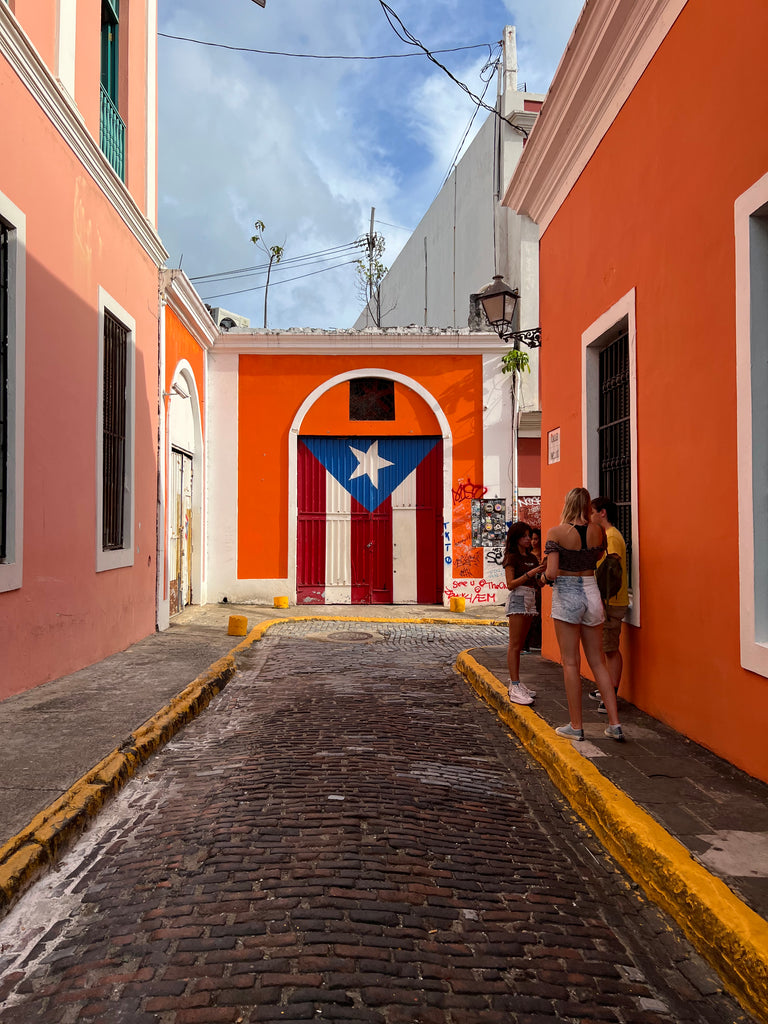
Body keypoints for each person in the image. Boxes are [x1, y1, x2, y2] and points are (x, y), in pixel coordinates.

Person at [542, 487, 625, 741]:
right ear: (588, 505)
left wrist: (543, 578)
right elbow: (597, 557)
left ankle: (576, 726)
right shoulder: (598, 531)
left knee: (570, 662)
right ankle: (614, 723)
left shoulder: (556, 533)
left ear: (568, 503)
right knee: (598, 660)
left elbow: (553, 572)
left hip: (567, 593)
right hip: (591, 592)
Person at [589, 496, 629, 714]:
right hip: (607, 601)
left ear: (602, 513)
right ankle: (606, 688)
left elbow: (610, 573)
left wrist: (602, 601)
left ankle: (611, 693)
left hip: (610, 602)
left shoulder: (611, 537)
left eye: (593, 512)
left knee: (611, 649)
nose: (591, 516)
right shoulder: (609, 536)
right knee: (606, 647)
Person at [503, 522, 545, 705]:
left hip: (531, 598)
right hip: (519, 599)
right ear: (516, 539)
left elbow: (538, 582)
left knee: (521, 644)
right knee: (515, 644)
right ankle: (514, 684)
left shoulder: (533, 558)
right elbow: (510, 584)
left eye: (530, 536)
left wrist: (542, 575)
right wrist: (531, 574)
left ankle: (518, 683)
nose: (529, 539)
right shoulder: (512, 558)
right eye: (525, 536)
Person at [524, 525, 543, 651]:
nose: (533, 542)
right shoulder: (529, 555)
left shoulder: (541, 554)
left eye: (536, 539)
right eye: (532, 539)